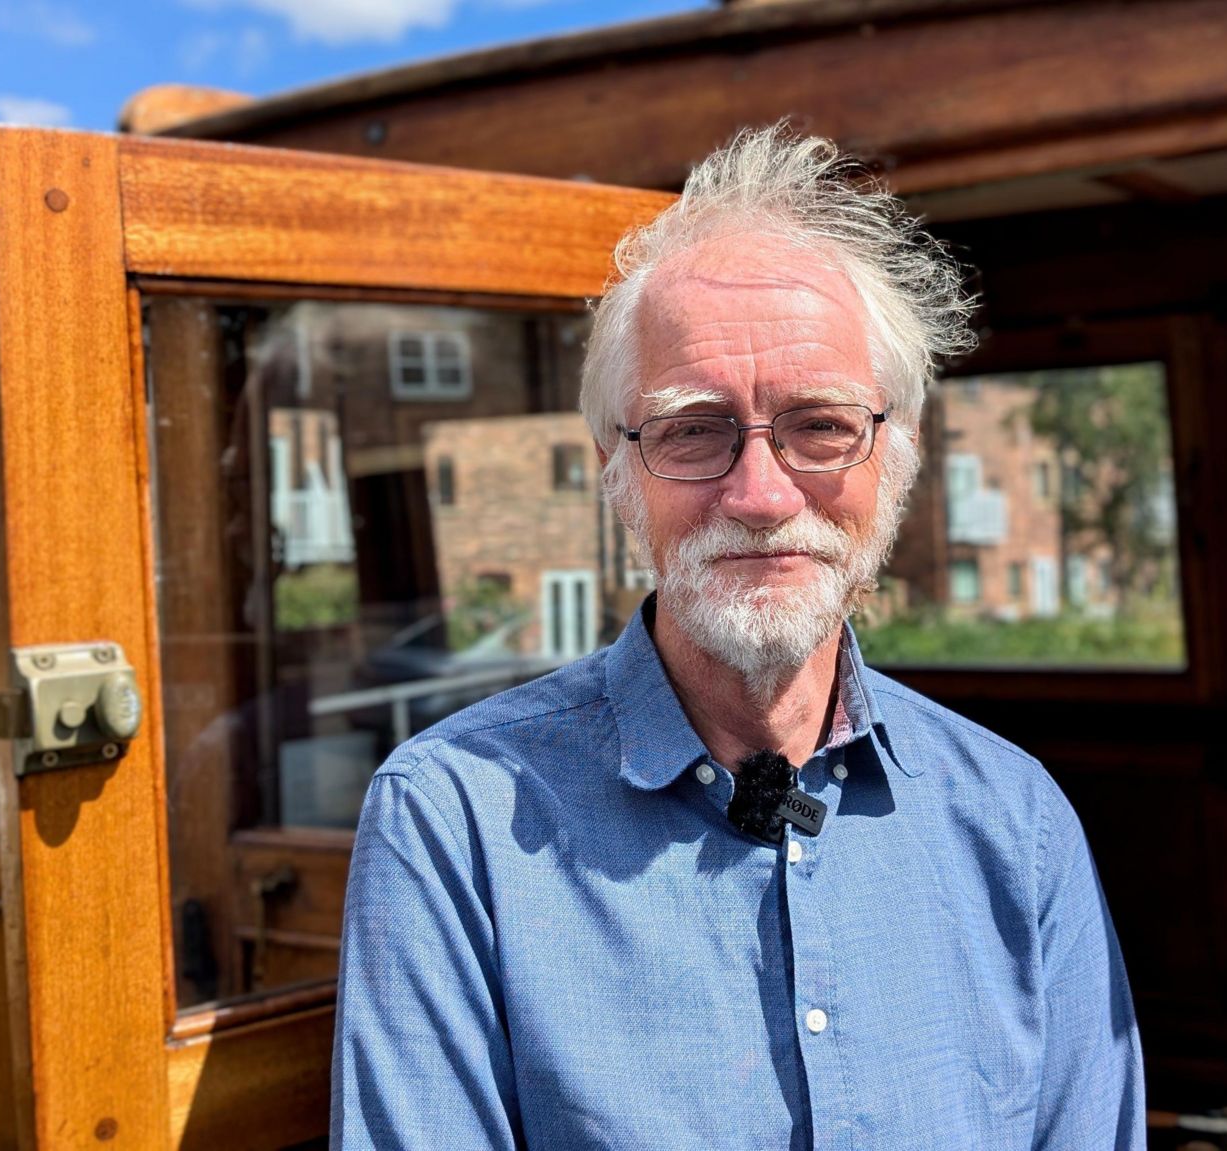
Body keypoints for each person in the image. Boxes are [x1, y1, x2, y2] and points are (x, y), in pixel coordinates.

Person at [332, 125, 1144, 1150]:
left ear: (894, 456)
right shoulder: (455, 820)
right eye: (691, 428)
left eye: (819, 424)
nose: (759, 494)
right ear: (614, 471)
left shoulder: (1013, 820)